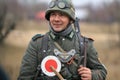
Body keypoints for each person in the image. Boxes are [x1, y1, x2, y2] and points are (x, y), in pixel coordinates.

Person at [18, 0, 107, 80]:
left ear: (71, 19)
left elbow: (102, 71)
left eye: (62, 15)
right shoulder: (37, 43)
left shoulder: (85, 44)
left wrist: (92, 75)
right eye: (53, 15)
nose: (56, 19)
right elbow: (25, 76)